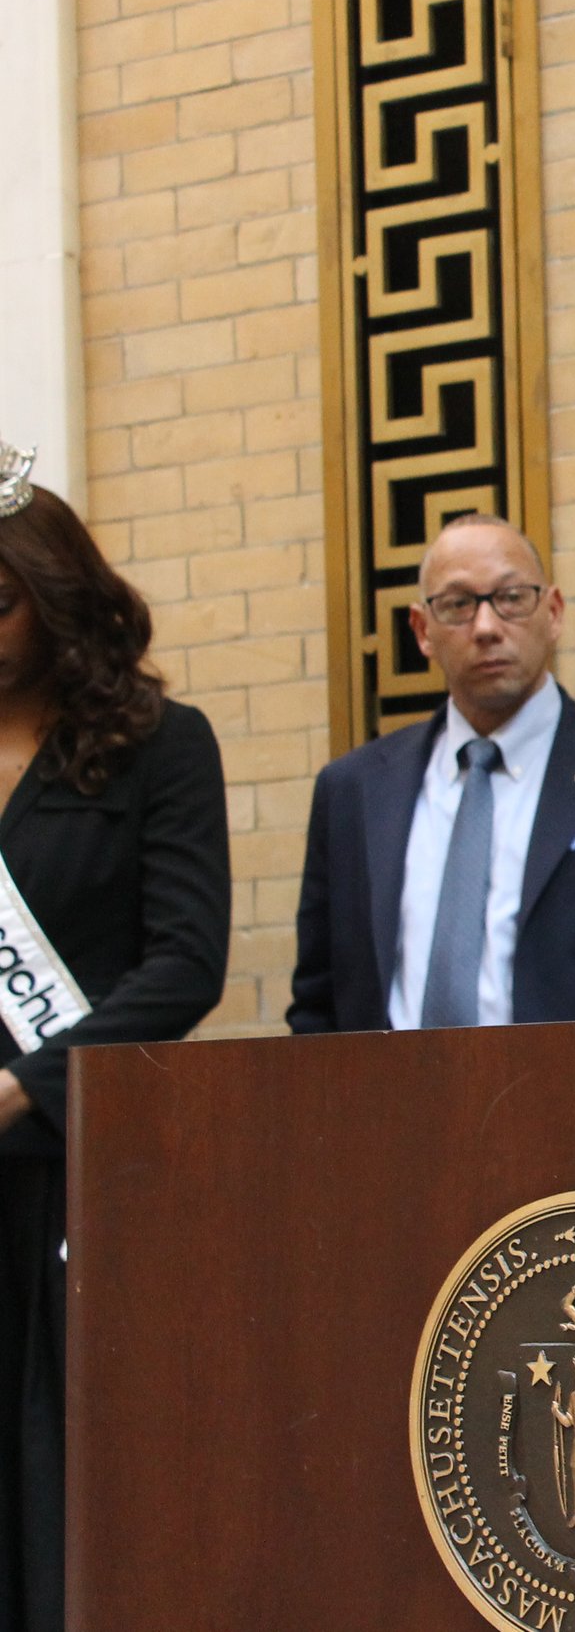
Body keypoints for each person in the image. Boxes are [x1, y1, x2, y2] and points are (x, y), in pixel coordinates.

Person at [0, 447, 230, 1631]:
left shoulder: (156, 745)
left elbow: (186, 961)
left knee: (62, 1480)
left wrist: (27, 1085)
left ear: (57, 597)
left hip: (79, 1175)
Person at [288, 514, 575, 1031]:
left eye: (512, 598)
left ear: (553, 612)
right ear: (422, 631)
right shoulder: (353, 793)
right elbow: (319, 1005)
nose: (487, 628)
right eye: (458, 605)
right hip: (395, 1106)